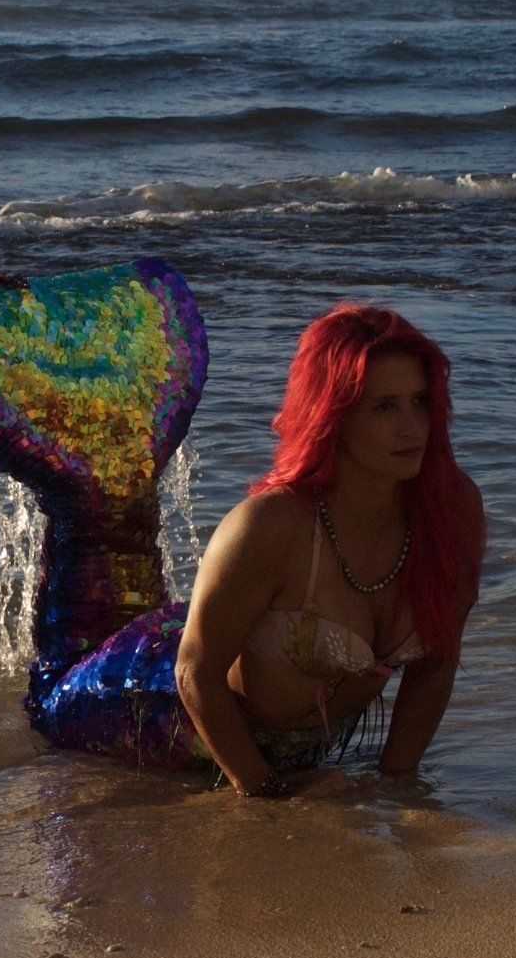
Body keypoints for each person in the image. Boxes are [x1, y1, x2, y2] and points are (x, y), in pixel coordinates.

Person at [175, 301, 486, 797]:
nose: (413, 426)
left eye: (421, 401)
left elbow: (436, 664)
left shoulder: (453, 509)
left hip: (307, 755)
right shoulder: (270, 526)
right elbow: (194, 672)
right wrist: (267, 796)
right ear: (332, 415)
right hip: (173, 733)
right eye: (385, 406)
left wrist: (396, 781)